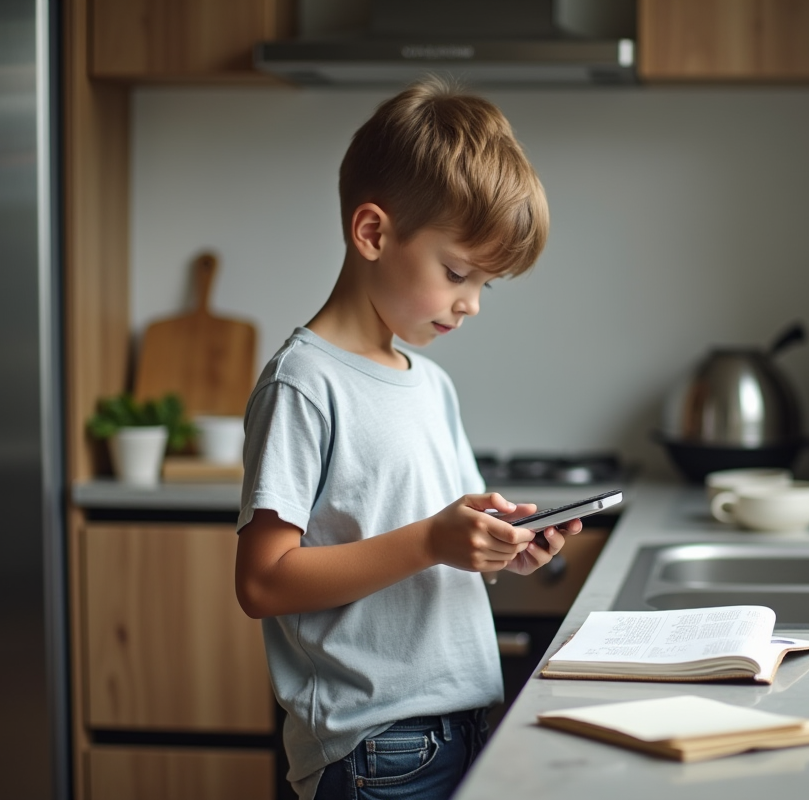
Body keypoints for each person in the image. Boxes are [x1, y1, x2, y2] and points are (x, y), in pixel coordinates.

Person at [234, 77, 574, 800]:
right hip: (375, 748)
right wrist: (430, 541)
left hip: (465, 721)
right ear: (373, 233)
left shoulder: (430, 384)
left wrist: (495, 546)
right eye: (457, 273)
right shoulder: (303, 385)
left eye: (486, 284)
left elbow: (427, 548)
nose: (471, 304)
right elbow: (263, 581)